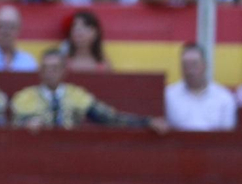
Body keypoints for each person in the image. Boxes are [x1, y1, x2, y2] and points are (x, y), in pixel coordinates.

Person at [12, 50, 169, 130]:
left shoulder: (76, 95)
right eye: (46, 68)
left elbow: (110, 118)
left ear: (64, 71)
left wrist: (146, 122)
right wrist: (26, 124)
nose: (50, 72)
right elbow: (12, 127)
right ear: (40, 70)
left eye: (55, 68)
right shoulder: (24, 97)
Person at [164, 44, 237, 132]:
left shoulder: (224, 98)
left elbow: (227, 135)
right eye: (185, 65)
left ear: (205, 65)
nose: (190, 70)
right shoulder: (168, 96)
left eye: (194, 64)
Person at [0, 5, 37, 72]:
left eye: (11, 27)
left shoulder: (28, 61)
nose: (5, 31)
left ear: (19, 30)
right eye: (1, 26)